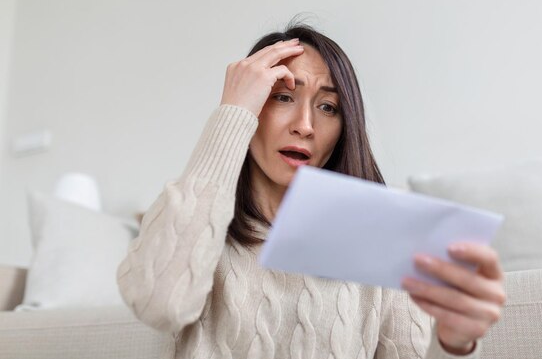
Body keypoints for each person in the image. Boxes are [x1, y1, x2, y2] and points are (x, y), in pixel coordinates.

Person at [117, 21, 506, 359]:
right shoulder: (191, 218)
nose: (305, 124)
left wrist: (454, 344)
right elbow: (160, 305)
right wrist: (231, 113)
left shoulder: (379, 241)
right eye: (283, 97)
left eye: (328, 107)